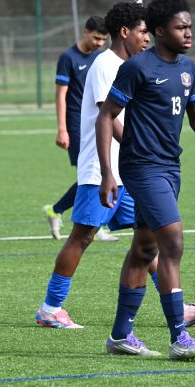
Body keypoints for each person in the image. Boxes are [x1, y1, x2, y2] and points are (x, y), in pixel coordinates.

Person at [35, 1, 195, 331]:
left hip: (132, 171)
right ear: (124, 32)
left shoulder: (134, 65)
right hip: (102, 169)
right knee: (82, 236)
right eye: (142, 32)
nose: (147, 39)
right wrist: (141, 149)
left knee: (147, 241)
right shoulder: (106, 65)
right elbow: (109, 117)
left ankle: (178, 309)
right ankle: (51, 307)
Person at [97, 0, 195, 360]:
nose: (188, 33)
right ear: (159, 31)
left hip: (170, 167)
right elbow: (106, 115)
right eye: (180, 27)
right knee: (172, 242)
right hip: (141, 167)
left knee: (144, 249)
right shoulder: (138, 67)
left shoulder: (188, 68)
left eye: (190, 26)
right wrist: (108, 173)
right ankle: (179, 337)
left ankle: (120, 336)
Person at [42, 16, 117, 242]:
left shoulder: (100, 58)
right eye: (96, 38)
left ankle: (88, 219)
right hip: (77, 125)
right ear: (85, 32)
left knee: (101, 172)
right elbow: (61, 95)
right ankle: (60, 212)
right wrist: (62, 129)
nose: (99, 43)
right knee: (90, 176)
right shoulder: (68, 57)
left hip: (98, 122)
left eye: (103, 39)